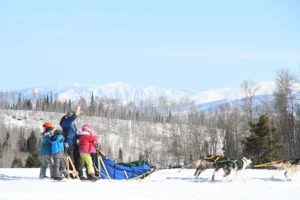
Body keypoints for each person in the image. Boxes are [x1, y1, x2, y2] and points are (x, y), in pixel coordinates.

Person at [59, 106, 85, 179]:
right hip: (68, 143)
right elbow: (69, 120)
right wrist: (75, 115)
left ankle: (80, 174)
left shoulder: (72, 124)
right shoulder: (65, 122)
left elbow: (74, 133)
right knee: (70, 158)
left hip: (74, 143)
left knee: (78, 158)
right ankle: (70, 173)